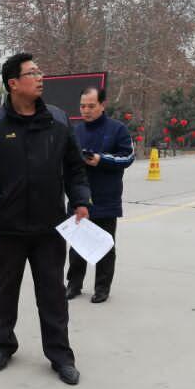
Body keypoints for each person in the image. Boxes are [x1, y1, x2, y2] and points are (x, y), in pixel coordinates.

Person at [0, 53, 91, 385]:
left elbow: (75, 167)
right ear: (13, 83)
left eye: (39, 71)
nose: (40, 77)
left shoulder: (57, 120)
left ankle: (61, 355)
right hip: (6, 228)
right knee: (4, 291)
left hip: (49, 227)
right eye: (32, 73)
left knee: (53, 294)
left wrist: (80, 200)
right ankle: (3, 345)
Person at [66, 87, 134, 304]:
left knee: (105, 245)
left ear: (102, 105)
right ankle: (74, 284)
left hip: (106, 198)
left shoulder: (117, 129)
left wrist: (101, 160)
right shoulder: (75, 131)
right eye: (82, 106)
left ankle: (102, 288)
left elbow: (127, 158)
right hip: (79, 198)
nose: (85, 110)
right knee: (77, 245)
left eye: (91, 106)